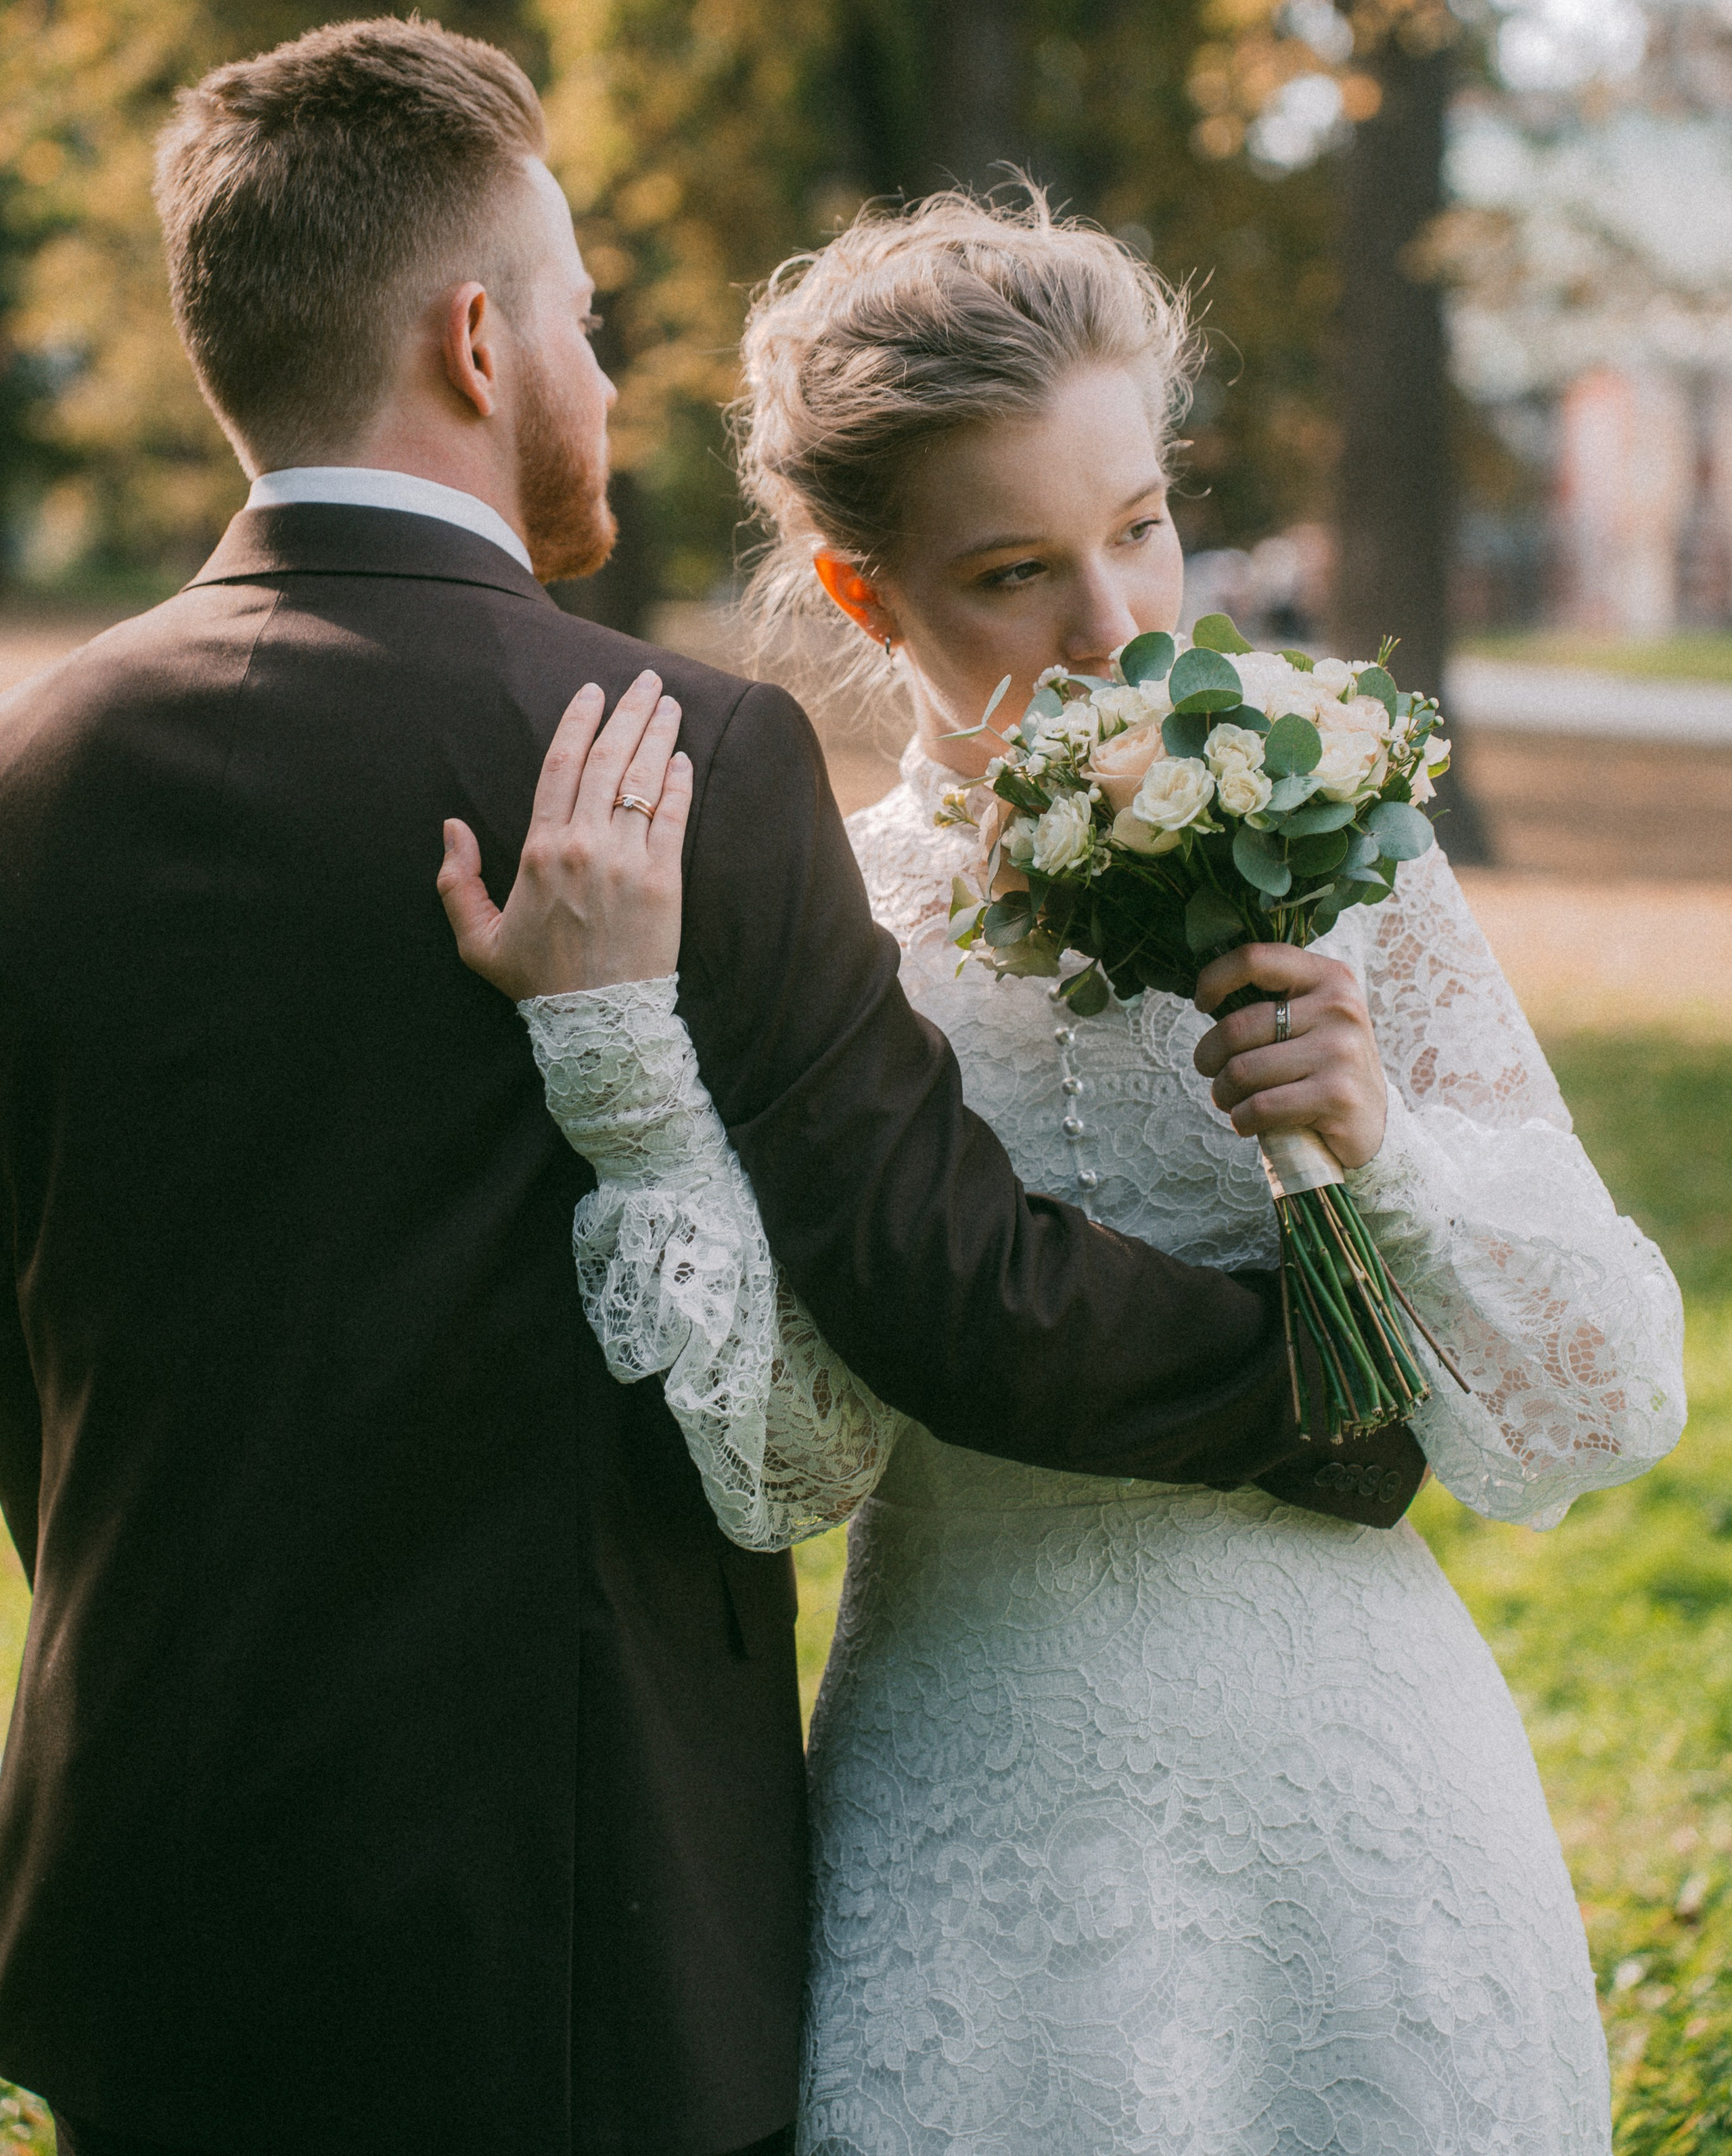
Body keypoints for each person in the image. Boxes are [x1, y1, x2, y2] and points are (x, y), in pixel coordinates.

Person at [0, 28, 1419, 2156]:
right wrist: (1323, 1381)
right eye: (581, 313)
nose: (599, 362)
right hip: (567, 1913)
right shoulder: (677, 750)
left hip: (146, 1885)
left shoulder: (42, 765)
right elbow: (945, 1287)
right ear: (480, 341)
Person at [460, 191, 1689, 2155]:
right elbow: (798, 1462)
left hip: (1362, 1790)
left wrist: (1389, 1149)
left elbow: (1605, 1399)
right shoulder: (826, 918)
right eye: (1018, 571)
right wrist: (630, 1079)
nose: (1118, 627)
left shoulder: (1350, 851)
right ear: (865, 602)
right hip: (987, 1798)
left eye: (1141, 530)